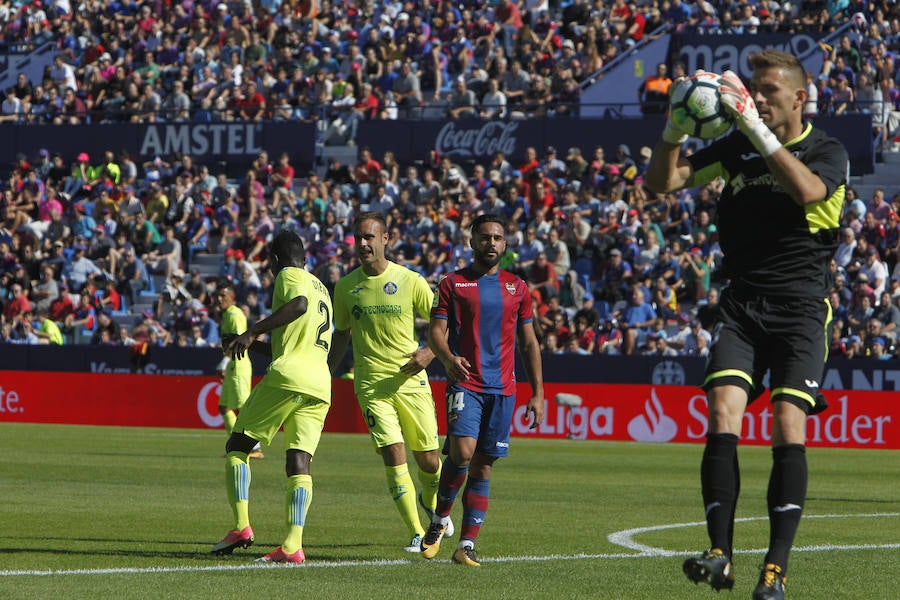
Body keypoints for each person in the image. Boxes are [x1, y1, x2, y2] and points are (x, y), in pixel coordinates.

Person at [645, 50, 848, 600]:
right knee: (721, 411)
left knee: (787, 422)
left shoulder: (827, 150)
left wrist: (754, 127)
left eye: (768, 92)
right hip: (742, 306)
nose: (756, 99)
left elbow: (807, 191)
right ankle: (720, 555)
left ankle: (774, 572)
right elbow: (662, 183)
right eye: (753, 90)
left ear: (799, 98)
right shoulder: (736, 148)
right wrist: (673, 130)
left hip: (801, 310)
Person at [423, 213, 544, 567]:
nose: (491, 243)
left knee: (484, 466)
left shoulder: (517, 288)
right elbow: (435, 332)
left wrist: (538, 393)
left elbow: (529, 343)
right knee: (462, 453)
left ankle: (465, 545)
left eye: (497, 238)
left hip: (503, 389)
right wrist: (447, 358)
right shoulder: (453, 283)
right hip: (466, 382)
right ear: (472, 241)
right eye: (485, 237)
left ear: (505, 245)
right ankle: (438, 521)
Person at [328, 212, 449, 553]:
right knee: (393, 454)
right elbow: (341, 335)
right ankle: (416, 532)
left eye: (370, 237)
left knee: (429, 462)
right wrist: (326, 374)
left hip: (411, 379)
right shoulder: (346, 287)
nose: (363, 244)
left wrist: (430, 352)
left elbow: (445, 323)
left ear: (386, 239)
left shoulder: (410, 281)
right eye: (358, 238)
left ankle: (433, 506)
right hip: (371, 384)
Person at [211, 231, 333, 564]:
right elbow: (293, 340)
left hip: (289, 376)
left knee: (237, 446)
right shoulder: (321, 287)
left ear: (275, 261)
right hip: (320, 383)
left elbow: (298, 306)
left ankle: (241, 527)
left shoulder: (287, 276)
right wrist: (250, 342)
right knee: (299, 462)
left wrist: (253, 331)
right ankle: (293, 546)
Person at [215, 282, 262, 460]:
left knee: (243, 407)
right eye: (218, 296)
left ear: (232, 298)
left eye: (223, 296)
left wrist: (224, 361)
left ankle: (255, 447)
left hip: (238, 364)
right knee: (224, 407)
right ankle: (236, 445)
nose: (219, 299)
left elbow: (239, 341)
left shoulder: (234, 315)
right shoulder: (227, 315)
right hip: (231, 365)